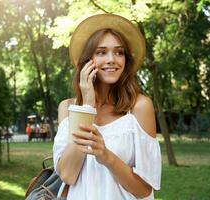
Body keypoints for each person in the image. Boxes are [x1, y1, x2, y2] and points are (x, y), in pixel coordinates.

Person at [53, 14, 161, 200]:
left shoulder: (139, 107)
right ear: (87, 60)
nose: (112, 59)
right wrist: (87, 106)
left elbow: (144, 189)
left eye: (119, 52)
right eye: (101, 52)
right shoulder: (67, 108)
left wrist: (106, 156)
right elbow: (67, 175)